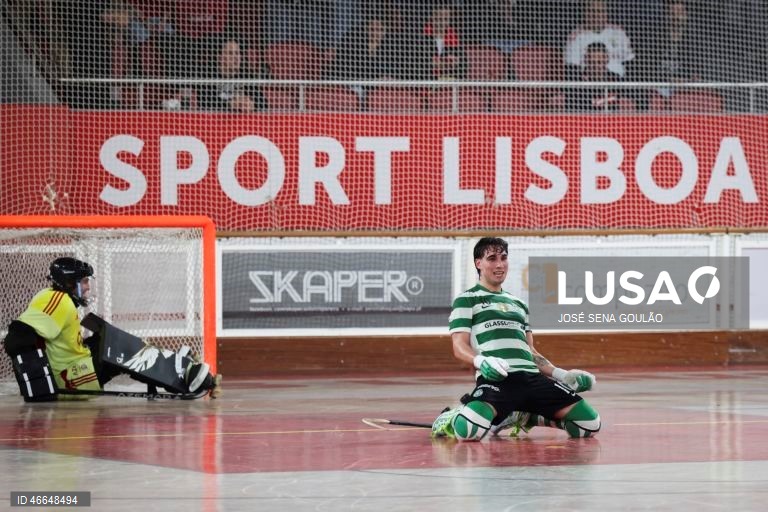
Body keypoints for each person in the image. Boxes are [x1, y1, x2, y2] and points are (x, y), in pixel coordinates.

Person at [432, 237, 601, 440]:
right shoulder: (467, 299)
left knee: (589, 425)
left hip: (533, 379)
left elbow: (531, 352)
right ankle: (451, 417)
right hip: (499, 380)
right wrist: (481, 361)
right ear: (479, 263)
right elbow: (459, 346)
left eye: (503, 258)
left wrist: (562, 375)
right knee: (469, 432)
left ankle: (525, 416)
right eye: (492, 258)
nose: (499, 264)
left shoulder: (519, 304)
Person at [4, 257, 221, 398]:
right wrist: (41, 386)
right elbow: (16, 339)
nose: (88, 286)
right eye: (84, 281)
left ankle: (175, 368)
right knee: (122, 349)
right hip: (73, 381)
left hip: (72, 370)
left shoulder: (54, 297)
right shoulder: (58, 300)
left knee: (109, 341)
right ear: (70, 283)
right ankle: (182, 377)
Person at [564, 0, 634, 79]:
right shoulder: (576, 36)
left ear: (606, 13)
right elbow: (572, 67)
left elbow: (630, 62)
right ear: (585, 13)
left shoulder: (618, 33)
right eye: (591, 11)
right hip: (586, 84)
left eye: (599, 11)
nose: (595, 15)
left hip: (618, 82)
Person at [197, 37, 266, 112]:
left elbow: (264, 103)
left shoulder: (246, 75)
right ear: (220, 57)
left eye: (237, 53)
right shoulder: (208, 75)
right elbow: (203, 102)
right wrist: (230, 104)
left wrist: (252, 104)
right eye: (230, 53)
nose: (235, 57)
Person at [566, 41, 626, 112]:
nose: (596, 66)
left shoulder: (616, 79)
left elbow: (625, 100)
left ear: (607, 59)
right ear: (586, 60)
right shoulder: (576, 82)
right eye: (592, 62)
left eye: (599, 62)